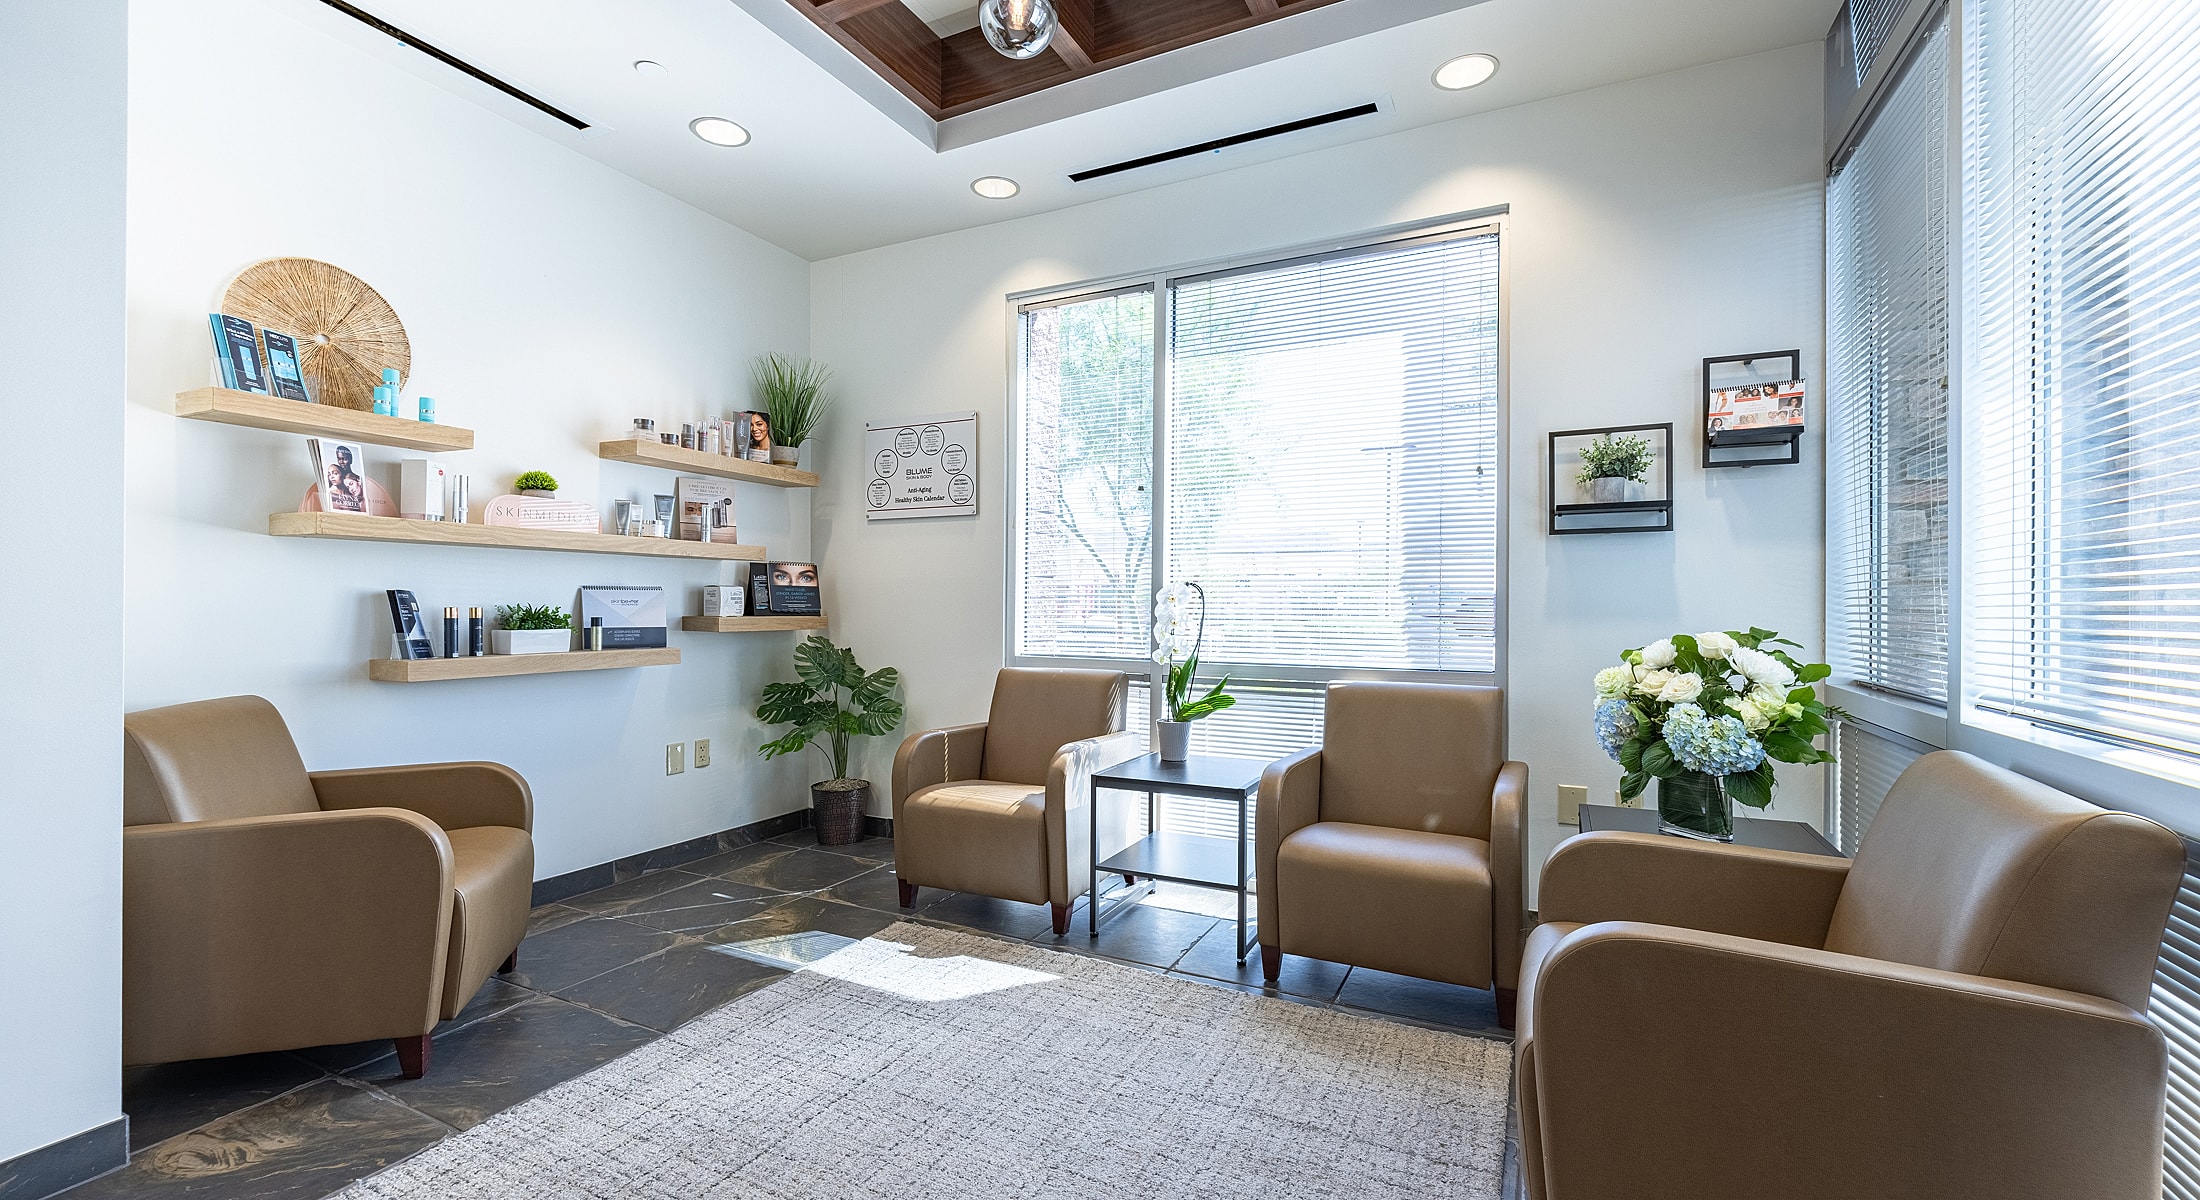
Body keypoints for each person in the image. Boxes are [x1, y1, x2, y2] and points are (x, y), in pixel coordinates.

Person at [327, 444, 366, 513]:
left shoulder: (359, 479)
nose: (341, 462)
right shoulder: (335, 480)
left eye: (345, 459)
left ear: (350, 460)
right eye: (339, 459)